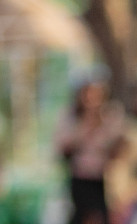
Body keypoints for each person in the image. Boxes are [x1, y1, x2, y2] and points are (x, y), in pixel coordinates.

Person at [57, 79, 127, 224]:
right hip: (81, 176)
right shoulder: (72, 116)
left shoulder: (111, 115)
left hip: (106, 178)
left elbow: (118, 145)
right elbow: (64, 146)